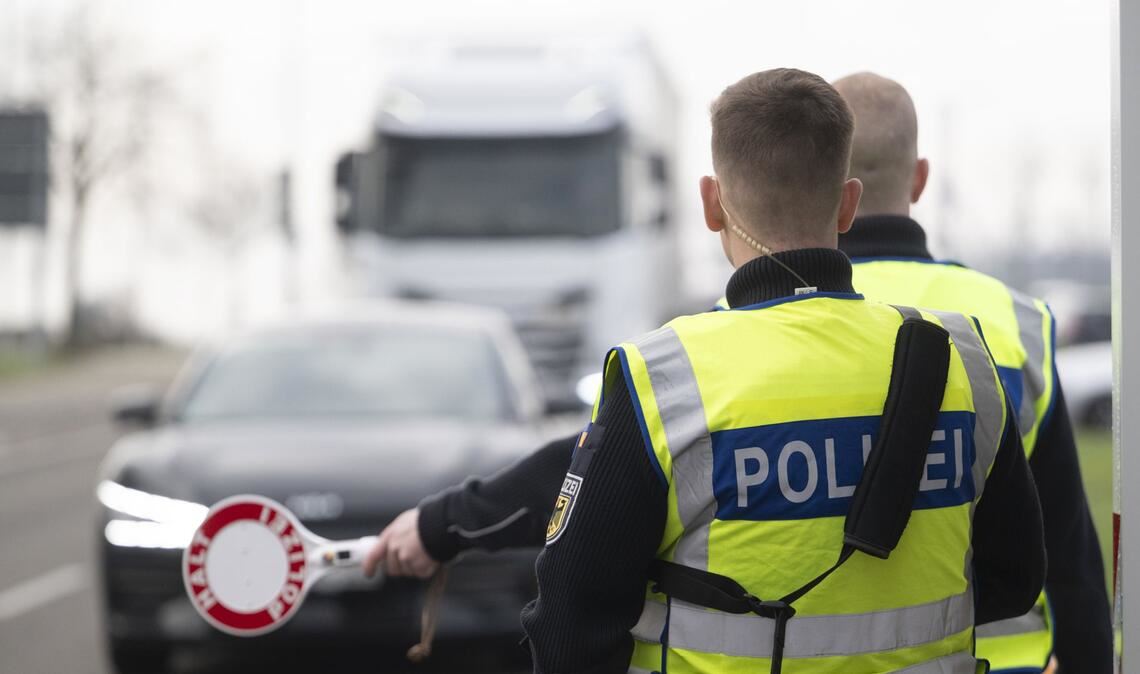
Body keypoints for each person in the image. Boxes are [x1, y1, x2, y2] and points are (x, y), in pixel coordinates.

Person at [368, 68, 1045, 673]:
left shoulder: (668, 376)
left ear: (711, 203)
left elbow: (571, 620)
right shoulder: (962, 358)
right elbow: (1016, 578)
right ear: (846, 204)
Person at [829, 71, 1110, 674]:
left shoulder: (753, 322)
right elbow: (1068, 552)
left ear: (825, 183)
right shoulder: (1016, 320)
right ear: (921, 177)